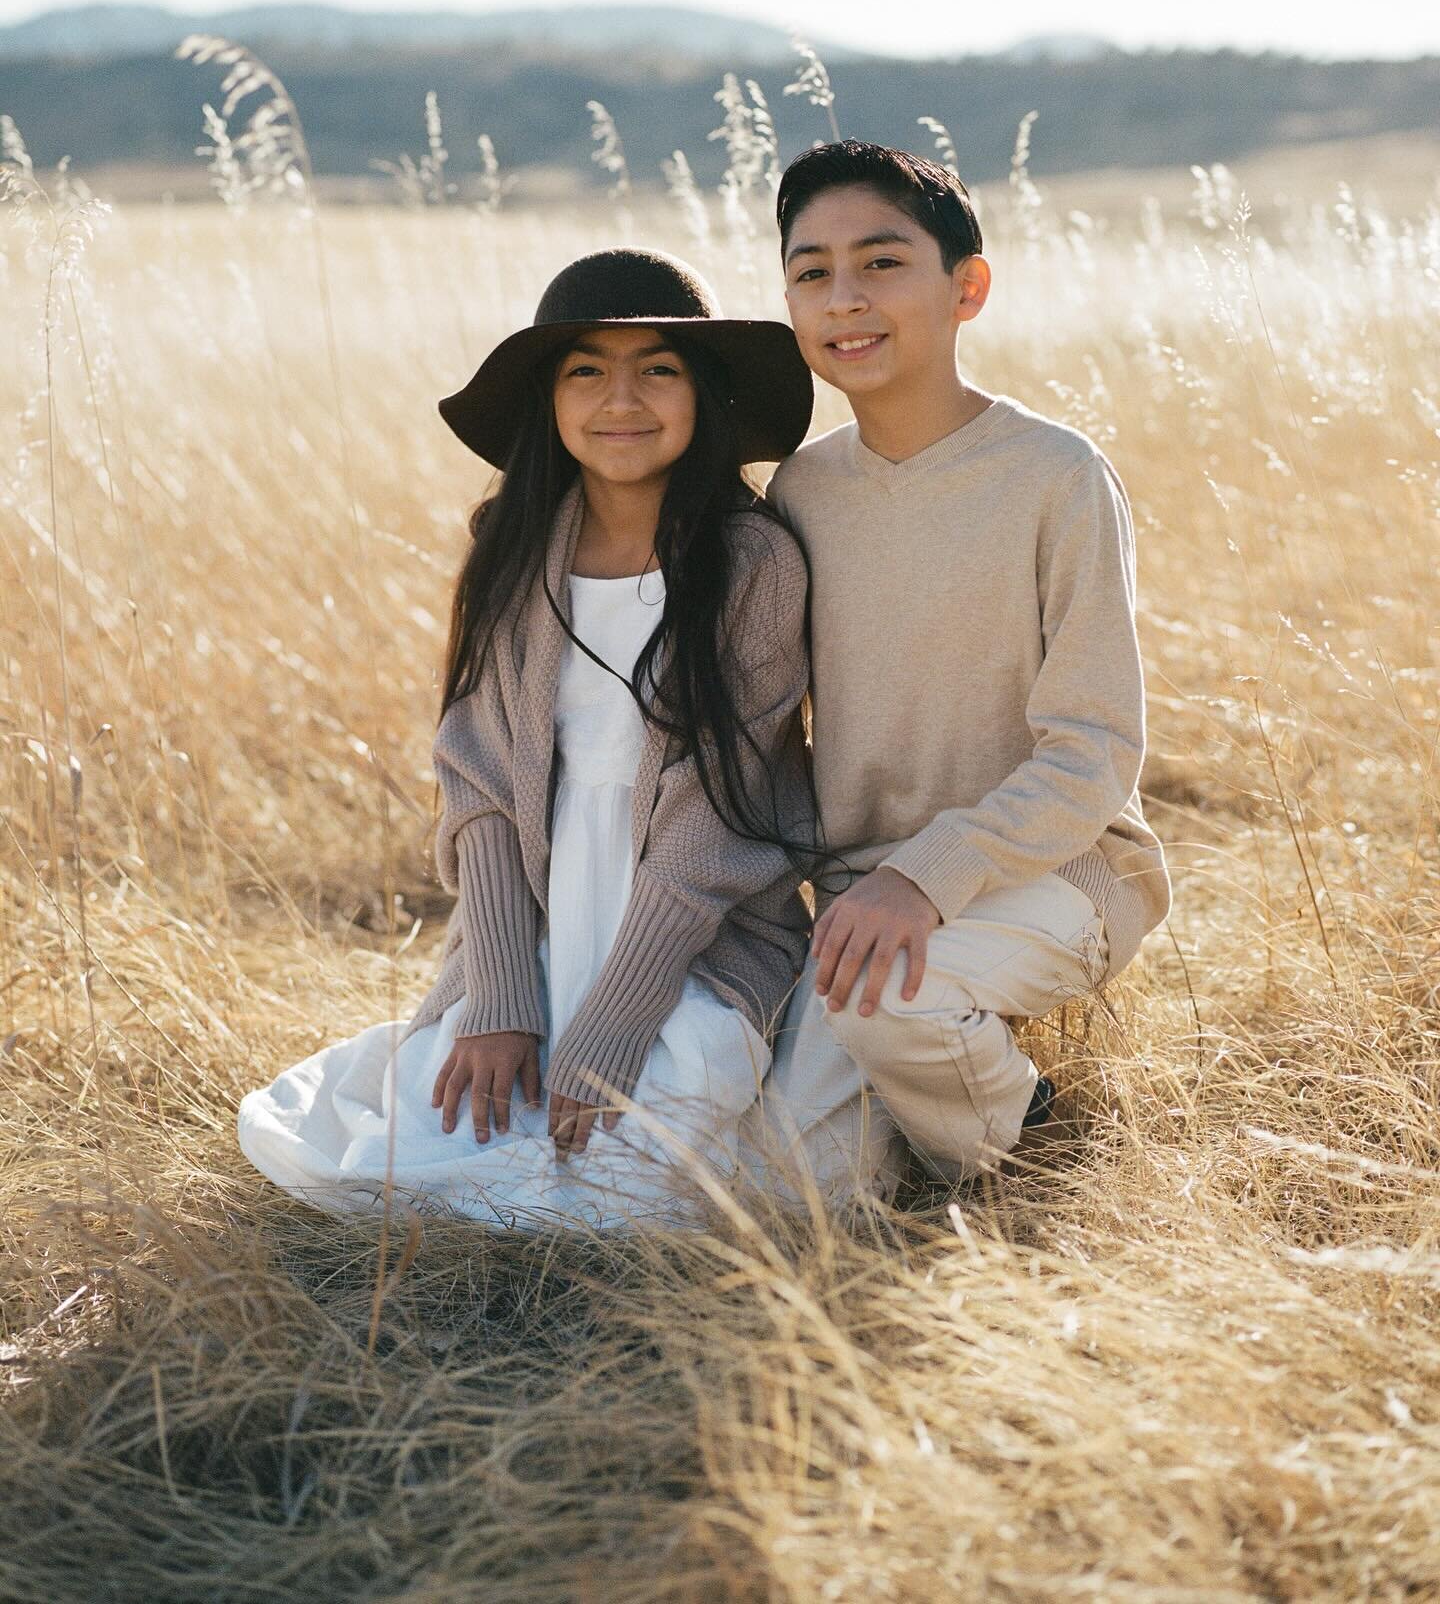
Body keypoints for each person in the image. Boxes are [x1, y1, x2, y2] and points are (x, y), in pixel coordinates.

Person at [238, 247, 819, 1231]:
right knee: (418, 1150)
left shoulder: (752, 562)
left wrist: (622, 1017)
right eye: (585, 369)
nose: (620, 398)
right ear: (550, 398)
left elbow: (715, 826)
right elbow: (478, 784)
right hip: (540, 928)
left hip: (689, 943)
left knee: (624, 1186)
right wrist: (503, 998)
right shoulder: (514, 552)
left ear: (704, 393)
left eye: (659, 369)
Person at [743, 141, 1172, 1198]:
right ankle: (955, 1101)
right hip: (864, 901)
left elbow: (1093, 752)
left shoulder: (1054, 476)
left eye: (882, 262)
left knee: (890, 1008)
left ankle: (1021, 1156)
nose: (846, 298)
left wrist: (921, 876)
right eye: (811, 272)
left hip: (1057, 873)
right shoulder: (801, 494)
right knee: (786, 1195)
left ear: (965, 287)